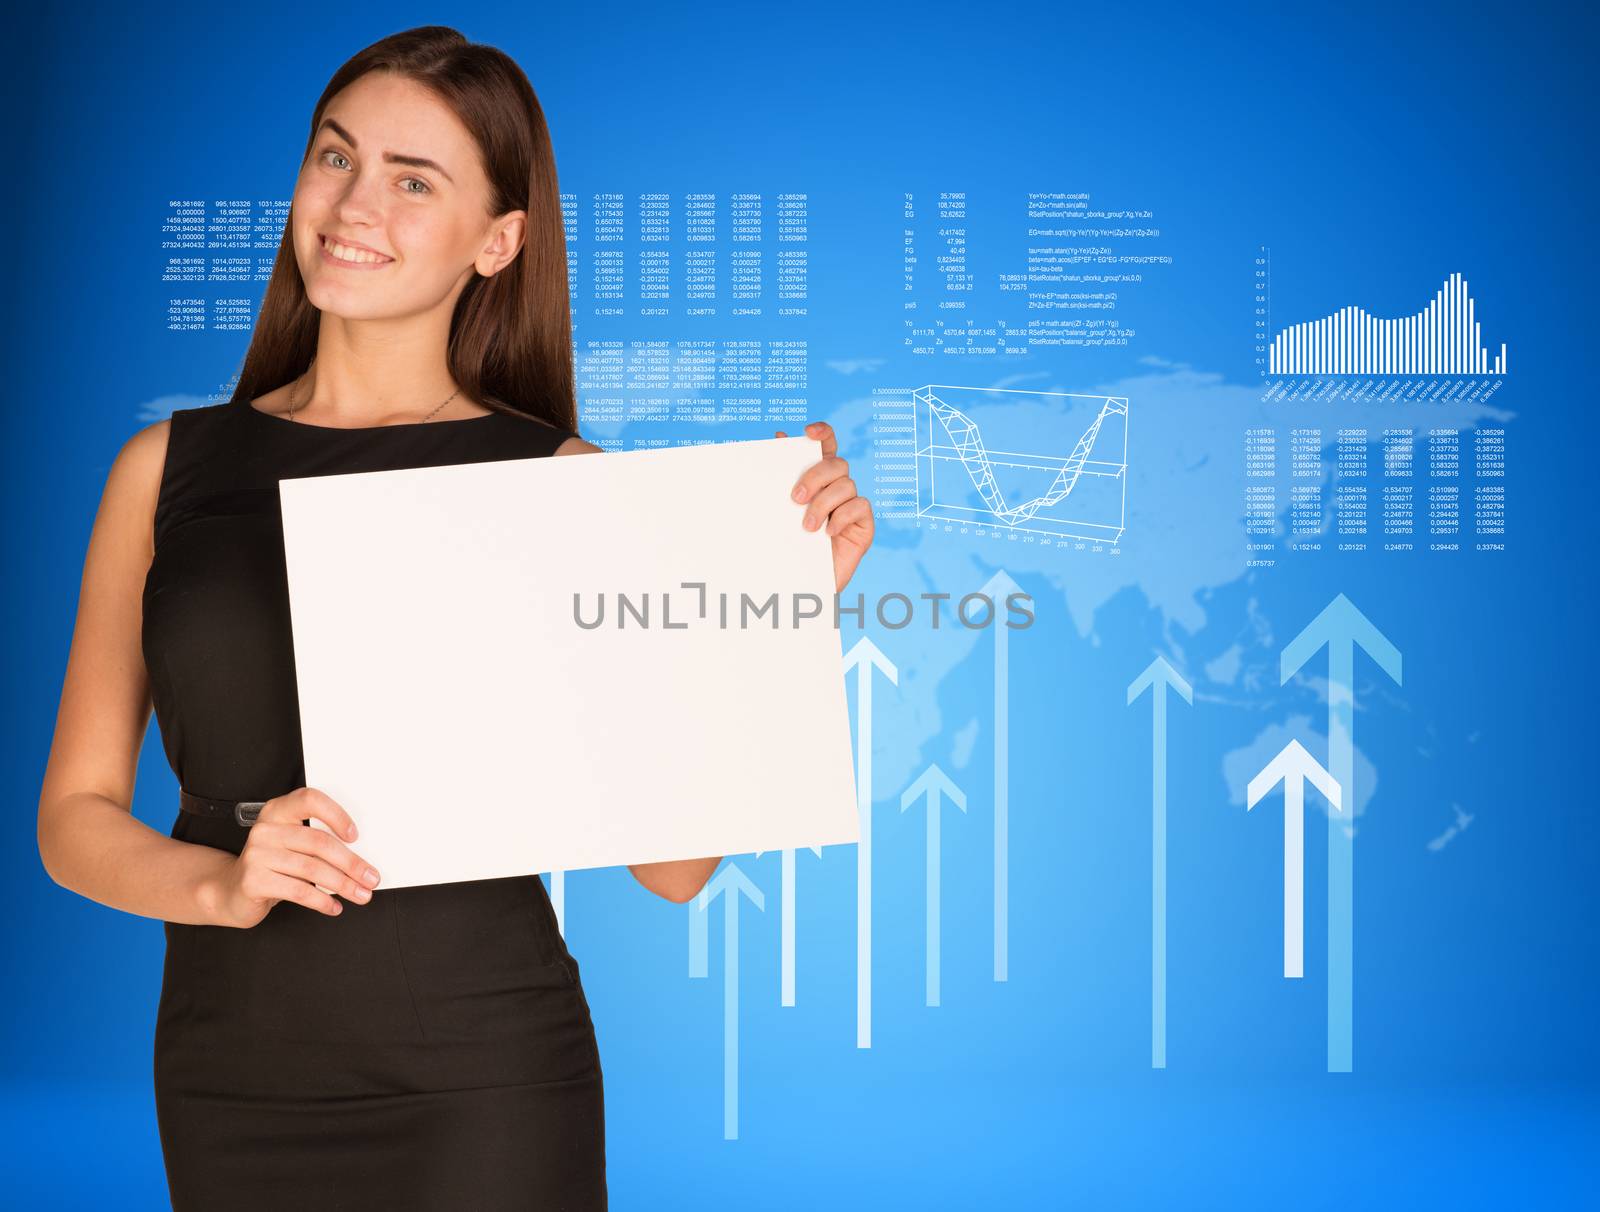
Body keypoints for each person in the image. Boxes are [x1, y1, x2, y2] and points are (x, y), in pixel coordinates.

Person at [34, 25, 875, 1210]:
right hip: (230, 1070)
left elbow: (673, 869)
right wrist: (221, 887)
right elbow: (70, 820)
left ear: (499, 240)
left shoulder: (567, 484)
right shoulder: (163, 471)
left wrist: (786, 607)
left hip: (484, 1075)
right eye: (336, 156)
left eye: (411, 180)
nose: (352, 203)